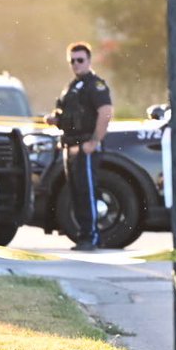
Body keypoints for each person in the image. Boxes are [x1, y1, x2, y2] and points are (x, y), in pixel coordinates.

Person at [44, 42, 114, 251]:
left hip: (85, 147)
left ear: (89, 61)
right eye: (72, 61)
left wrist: (94, 142)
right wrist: (55, 119)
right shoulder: (72, 86)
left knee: (86, 192)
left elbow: (106, 112)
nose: (76, 64)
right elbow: (66, 114)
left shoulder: (95, 85)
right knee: (76, 192)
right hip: (70, 146)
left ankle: (90, 237)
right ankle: (86, 235)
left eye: (80, 60)